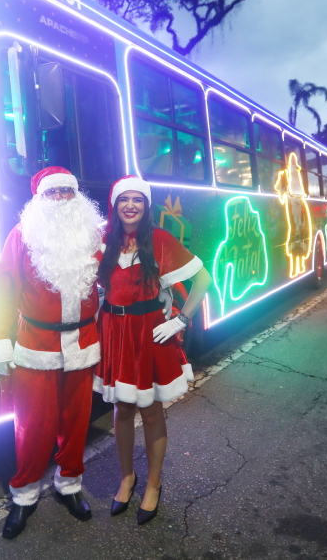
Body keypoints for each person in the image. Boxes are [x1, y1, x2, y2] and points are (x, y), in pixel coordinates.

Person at [0, 167, 103, 540]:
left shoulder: (93, 235)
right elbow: (3, 288)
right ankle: (24, 494)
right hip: (36, 345)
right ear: (39, 199)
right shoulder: (22, 236)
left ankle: (69, 485)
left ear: (77, 196)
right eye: (53, 194)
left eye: (67, 192)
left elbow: (118, 277)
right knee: (33, 425)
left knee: (76, 422)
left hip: (82, 345)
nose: (60, 199)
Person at [94, 176, 212, 526]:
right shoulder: (103, 240)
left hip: (148, 335)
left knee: (151, 411)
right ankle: (128, 477)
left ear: (146, 206)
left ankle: (154, 484)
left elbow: (202, 279)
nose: (130, 206)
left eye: (138, 200)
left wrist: (180, 320)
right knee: (121, 410)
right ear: (115, 205)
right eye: (123, 200)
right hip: (115, 333)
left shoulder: (159, 239)